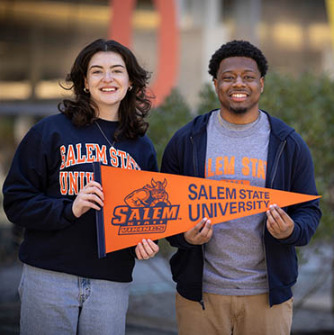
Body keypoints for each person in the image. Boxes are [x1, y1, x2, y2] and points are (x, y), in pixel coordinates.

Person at [161, 40, 321, 335]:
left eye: (248, 77)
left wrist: (292, 231)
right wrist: (184, 236)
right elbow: (162, 211)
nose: (239, 84)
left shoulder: (288, 143)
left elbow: (309, 210)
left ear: (261, 84)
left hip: (267, 297)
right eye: (228, 77)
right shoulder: (187, 141)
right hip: (201, 294)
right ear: (215, 83)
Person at [2, 38, 159, 335]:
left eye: (117, 71)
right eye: (97, 71)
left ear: (130, 82)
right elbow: (16, 202)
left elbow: (146, 216)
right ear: (85, 82)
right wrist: (70, 208)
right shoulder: (50, 132)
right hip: (49, 276)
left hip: (110, 281)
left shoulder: (142, 147)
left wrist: (145, 241)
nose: (108, 78)